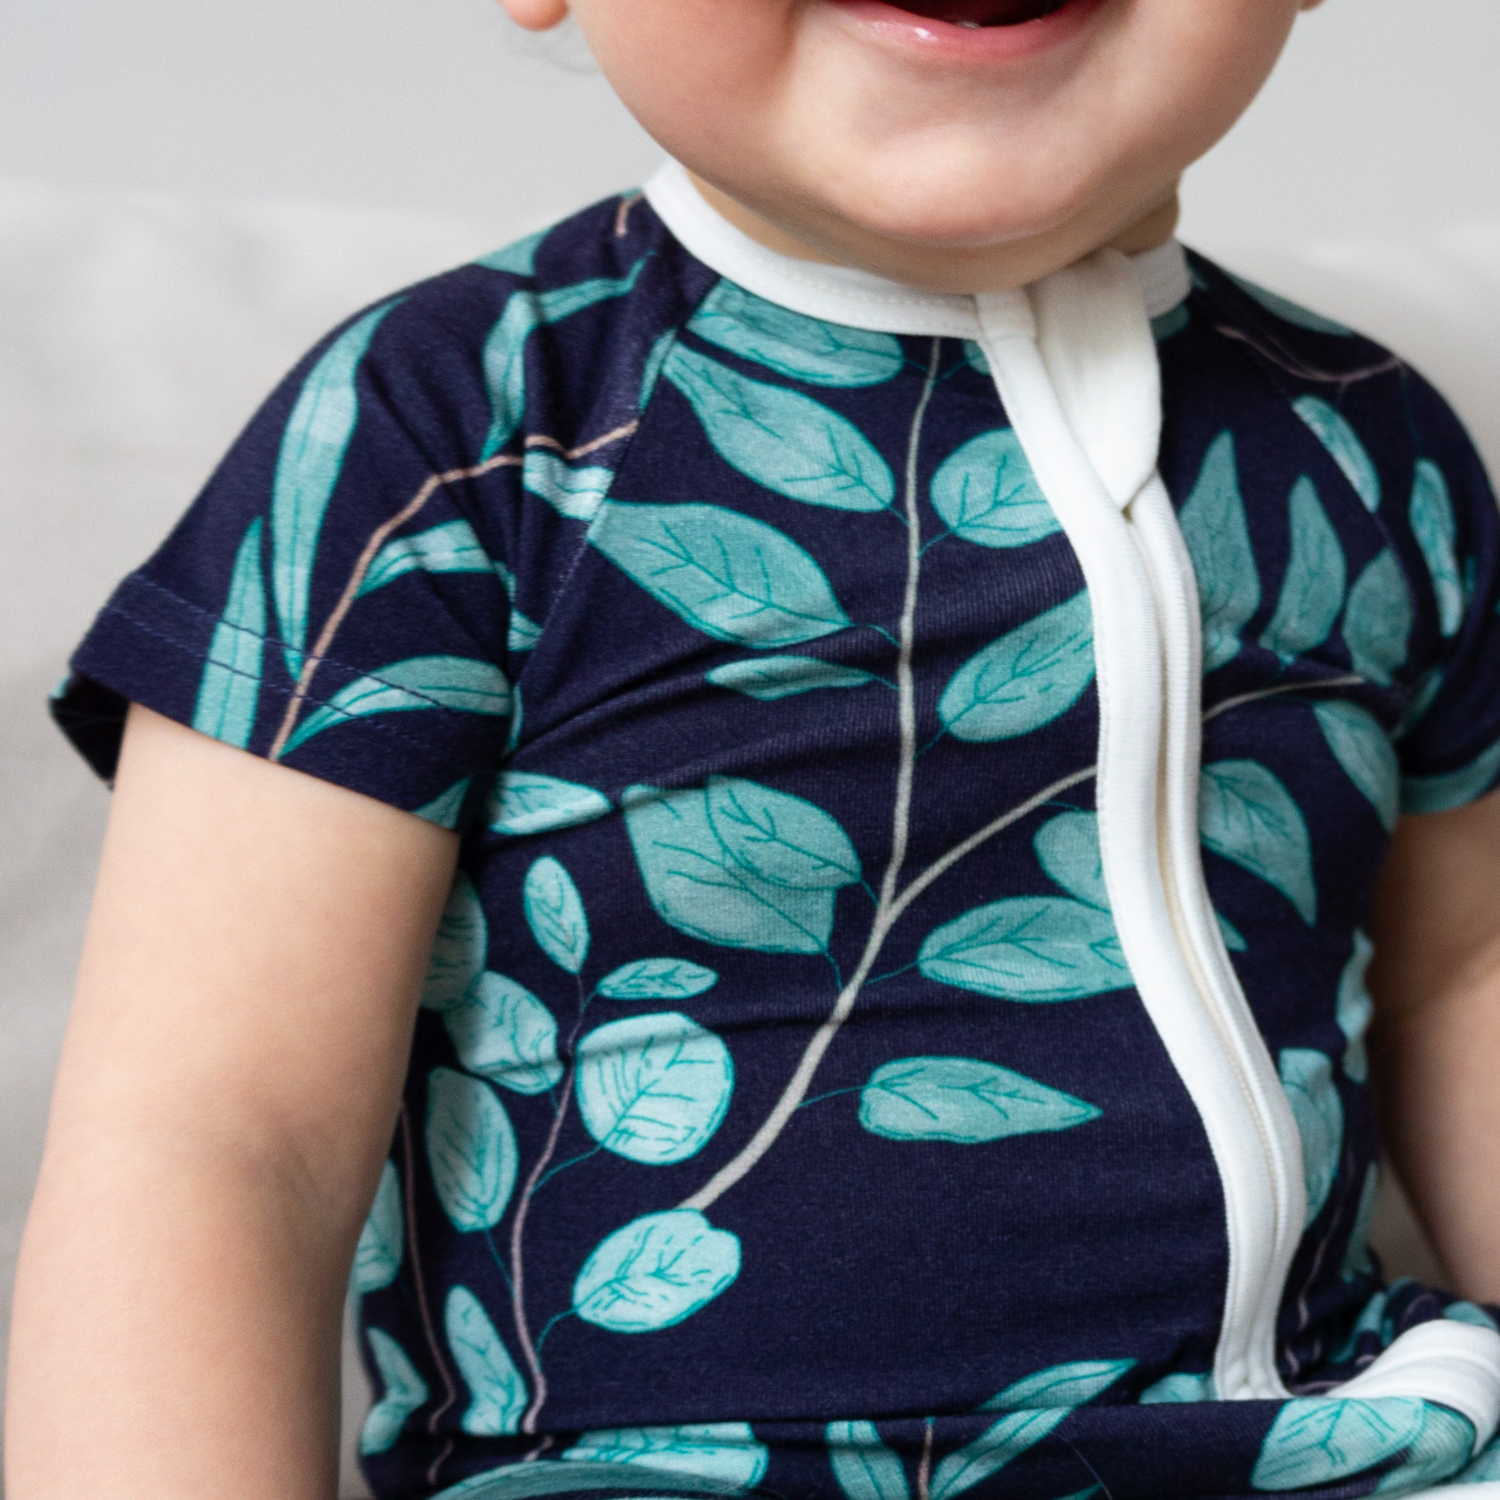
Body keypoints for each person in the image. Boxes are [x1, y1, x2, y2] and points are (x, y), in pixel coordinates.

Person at [9, 1, 1500, 1497]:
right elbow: (221, 1138)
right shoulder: (456, 430)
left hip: (1331, 1444)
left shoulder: (1369, 449)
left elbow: (1466, 970)